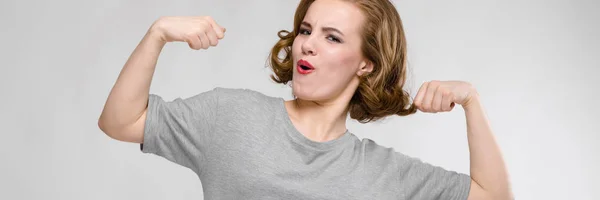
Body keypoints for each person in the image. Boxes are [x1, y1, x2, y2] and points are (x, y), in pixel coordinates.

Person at [98, 0, 512, 199]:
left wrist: (471, 101)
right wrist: (157, 34)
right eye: (305, 30)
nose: (307, 45)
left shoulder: (386, 174)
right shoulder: (229, 115)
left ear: (366, 63)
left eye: (331, 37)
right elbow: (120, 121)